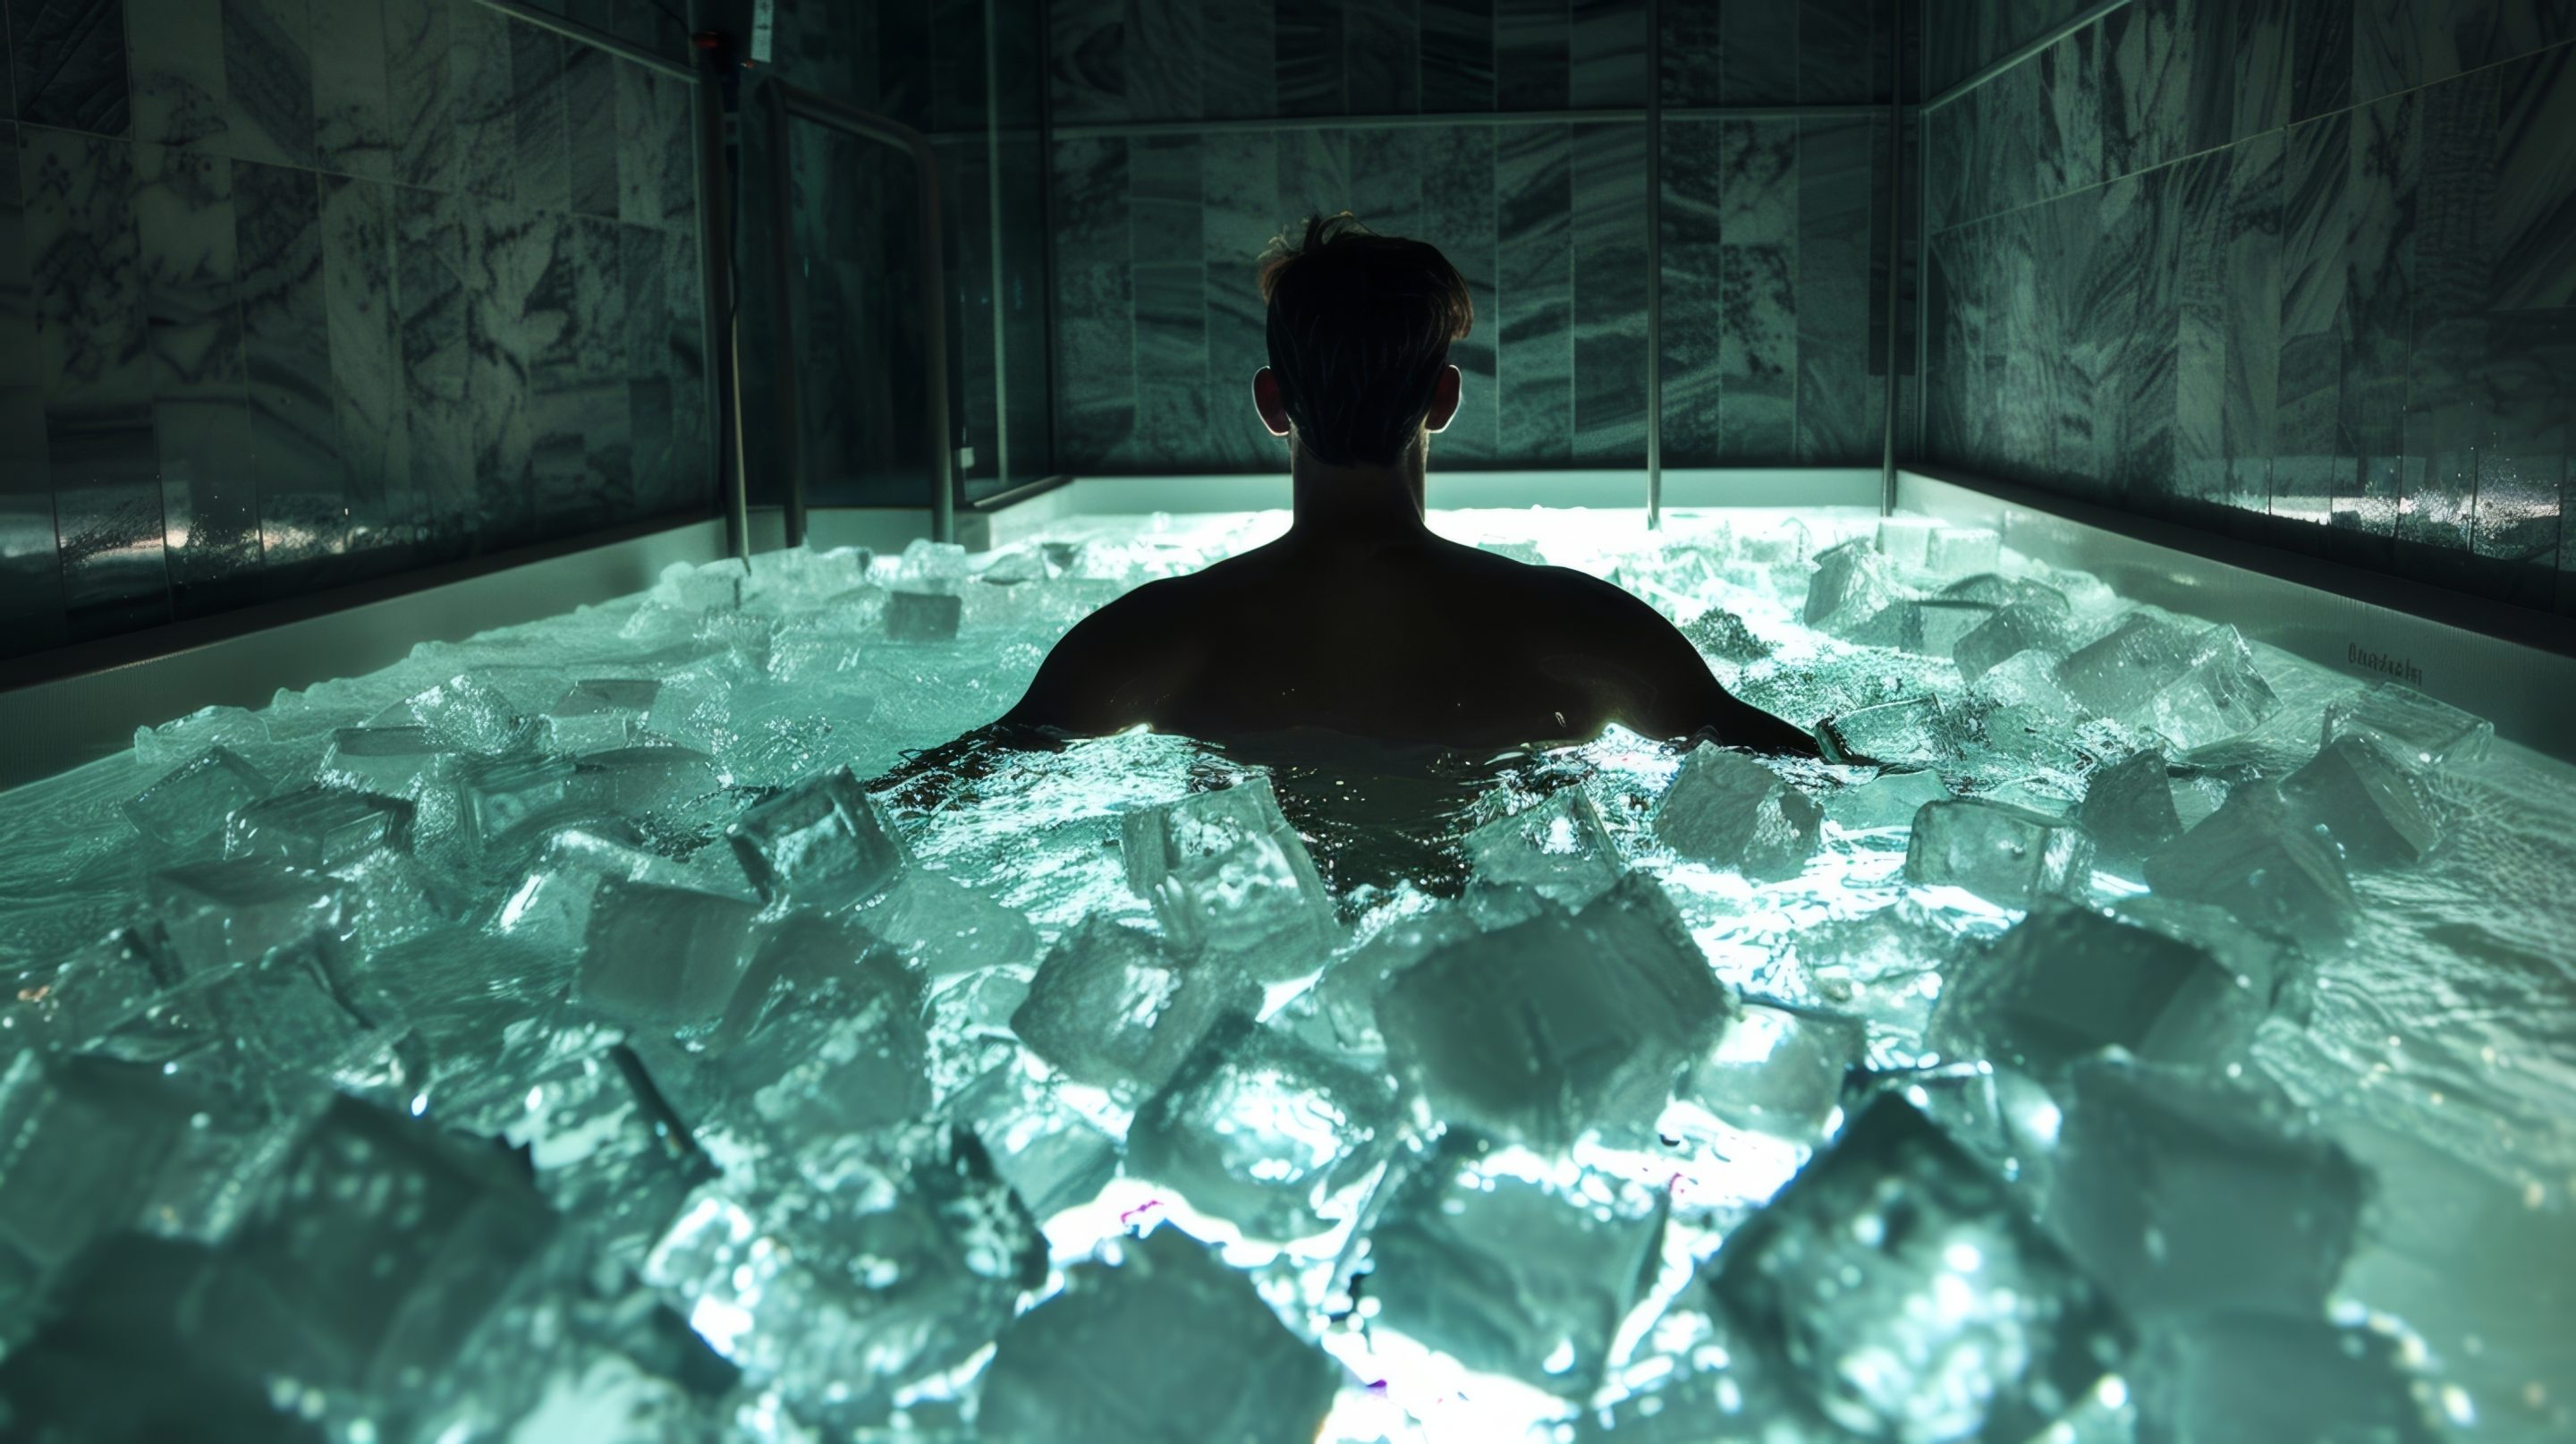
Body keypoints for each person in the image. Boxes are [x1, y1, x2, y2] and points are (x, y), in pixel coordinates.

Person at [999, 214, 1815, 758]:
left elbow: (939, 791)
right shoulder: (1576, 625)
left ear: (1271, 403)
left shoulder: (1155, 638)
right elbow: (1805, 765)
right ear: (1445, 400)